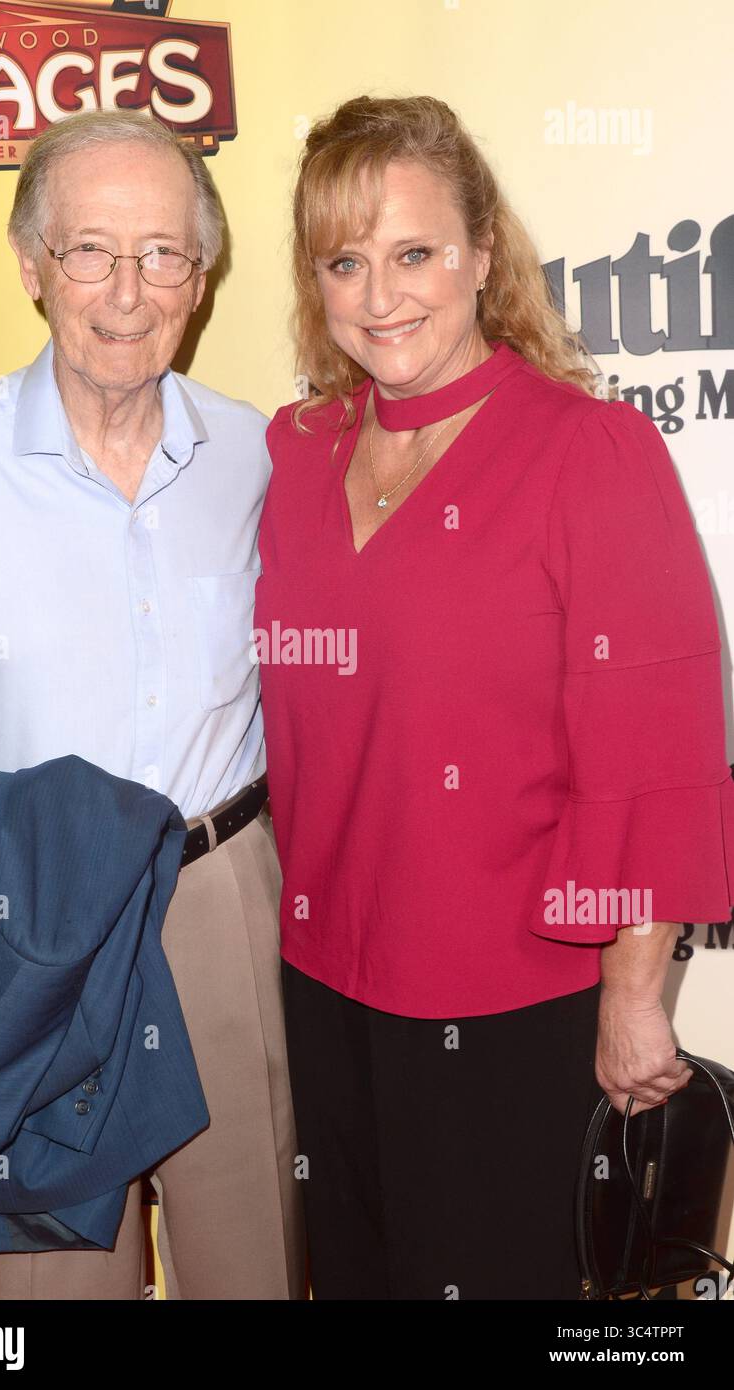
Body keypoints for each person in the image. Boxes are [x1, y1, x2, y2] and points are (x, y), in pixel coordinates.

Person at [254, 94, 734, 1300]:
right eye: (345, 262)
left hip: (513, 994)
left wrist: (636, 996)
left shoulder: (590, 451)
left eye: (414, 252)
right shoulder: (296, 450)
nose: (381, 296)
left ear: (480, 250)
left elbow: (654, 746)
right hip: (319, 983)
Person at [0, 108, 305, 1300]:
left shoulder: (259, 454)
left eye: (164, 252)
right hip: (26, 925)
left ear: (202, 275)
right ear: (30, 265)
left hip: (222, 898)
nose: (129, 289)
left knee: (256, 1270)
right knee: (46, 1285)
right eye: (91, 251)